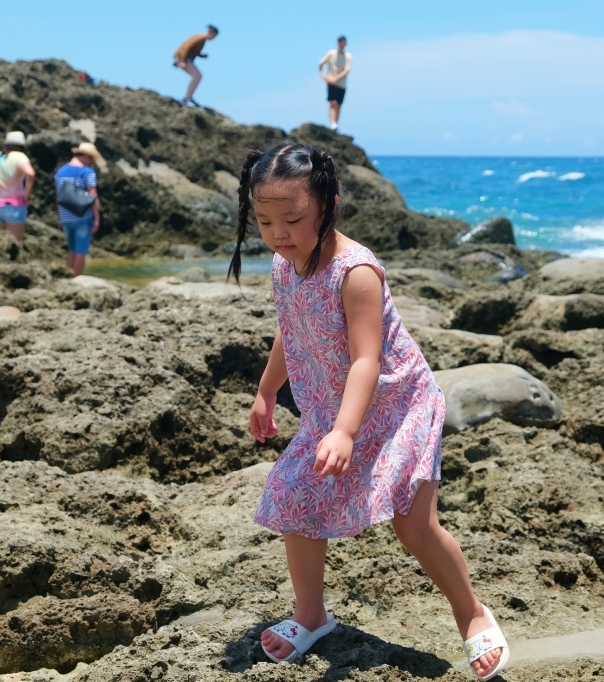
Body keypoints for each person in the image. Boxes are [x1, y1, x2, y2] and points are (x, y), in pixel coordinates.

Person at [226, 141, 510, 680]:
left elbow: (366, 361)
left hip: (397, 405)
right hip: (335, 412)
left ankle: (471, 613)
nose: (279, 234)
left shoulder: (356, 272)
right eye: (264, 222)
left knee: (415, 526)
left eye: (292, 219)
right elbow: (292, 331)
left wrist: (345, 432)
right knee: (294, 496)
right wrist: (267, 392)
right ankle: (311, 616)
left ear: (329, 204)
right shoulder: (285, 267)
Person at [54, 142, 102, 276]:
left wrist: (60, 218)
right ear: (86, 156)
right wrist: (97, 218)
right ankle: (77, 280)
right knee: (81, 251)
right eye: (91, 158)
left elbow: (59, 197)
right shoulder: (88, 172)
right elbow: (93, 196)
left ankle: (68, 278)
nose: (91, 162)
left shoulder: (60, 172)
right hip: (83, 216)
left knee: (71, 249)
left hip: (65, 216)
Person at [173, 25, 218, 108]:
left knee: (197, 76)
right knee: (197, 76)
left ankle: (188, 98)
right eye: (214, 36)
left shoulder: (202, 39)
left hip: (184, 58)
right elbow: (187, 47)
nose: (214, 38)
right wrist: (182, 61)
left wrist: (201, 55)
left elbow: (193, 50)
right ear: (210, 33)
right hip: (183, 58)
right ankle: (187, 99)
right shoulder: (200, 38)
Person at [318, 36, 352, 131]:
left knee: (339, 104)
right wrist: (324, 77)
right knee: (333, 103)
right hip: (331, 83)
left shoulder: (348, 56)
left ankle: (335, 124)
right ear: (338, 43)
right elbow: (320, 65)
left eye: (343, 43)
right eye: (340, 42)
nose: (342, 45)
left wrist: (335, 78)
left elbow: (347, 70)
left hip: (342, 84)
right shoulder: (331, 53)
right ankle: (332, 123)